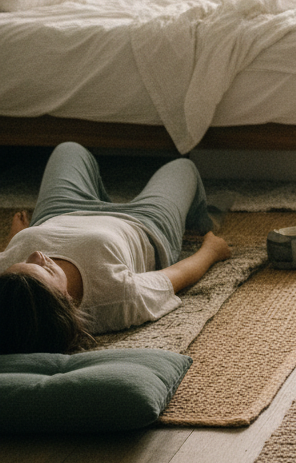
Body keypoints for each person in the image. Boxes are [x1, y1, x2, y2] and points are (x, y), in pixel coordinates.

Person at [0, 143, 231, 353]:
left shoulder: (9, 288)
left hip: (58, 213)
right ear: (65, 300)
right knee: (183, 167)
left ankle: (98, 198)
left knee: (69, 149)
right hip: (143, 225)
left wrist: (16, 239)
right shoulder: (117, 298)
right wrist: (211, 251)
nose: (36, 254)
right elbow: (175, 276)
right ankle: (203, 222)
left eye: (21, 262)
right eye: (45, 268)